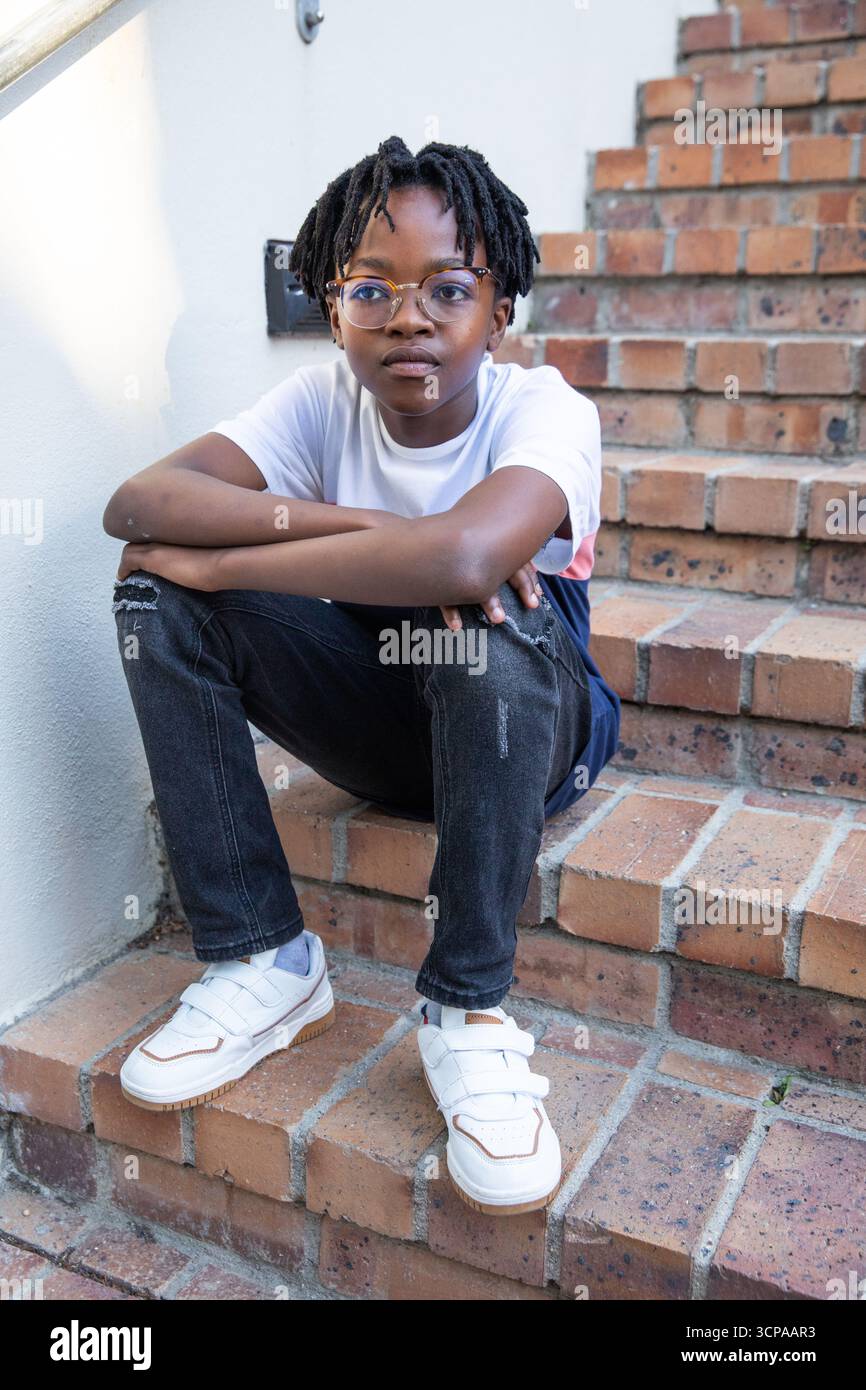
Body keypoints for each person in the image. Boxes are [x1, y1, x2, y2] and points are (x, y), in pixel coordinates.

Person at [103, 135, 621, 1217]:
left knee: (478, 628)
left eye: (447, 287)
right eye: (371, 289)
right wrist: (367, 530)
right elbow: (141, 507)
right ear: (332, 306)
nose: (408, 316)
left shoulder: (544, 411)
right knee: (159, 596)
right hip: (386, 729)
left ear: (501, 305)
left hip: (524, 736)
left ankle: (464, 1012)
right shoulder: (315, 408)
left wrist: (255, 548)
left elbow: (469, 561)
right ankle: (263, 961)